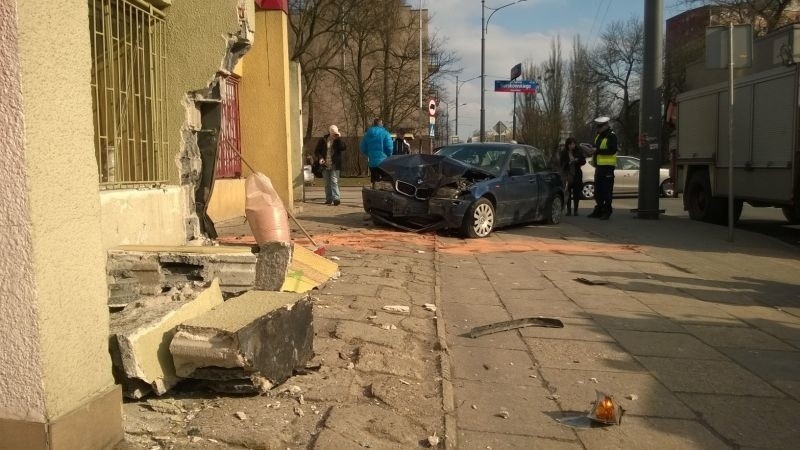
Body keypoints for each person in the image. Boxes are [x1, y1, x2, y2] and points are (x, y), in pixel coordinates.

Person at [588, 116, 618, 220]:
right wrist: (590, 149)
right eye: (597, 127)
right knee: (598, 191)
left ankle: (607, 211)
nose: (598, 128)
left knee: (607, 191)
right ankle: (599, 210)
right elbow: (595, 148)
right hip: (599, 167)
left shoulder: (611, 136)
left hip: (608, 168)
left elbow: (612, 150)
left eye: (600, 126)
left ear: (606, 126)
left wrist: (597, 151)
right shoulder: (598, 136)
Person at [314, 124, 346, 205]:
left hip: (334, 164)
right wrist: (320, 158)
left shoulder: (338, 140)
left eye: (336, 133)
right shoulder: (323, 140)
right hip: (325, 165)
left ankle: (336, 199)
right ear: (330, 132)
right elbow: (317, 151)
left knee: (334, 181)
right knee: (327, 183)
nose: (334, 134)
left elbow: (343, 147)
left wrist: (338, 139)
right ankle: (329, 199)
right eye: (333, 133)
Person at [360, 118, 394, 188]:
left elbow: (362, 147)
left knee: (375, 181)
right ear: (380, 124)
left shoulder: (367, 135)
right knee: (387, 180)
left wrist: (370, 154)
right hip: (384, 162)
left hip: (372, 162)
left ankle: (375, 195)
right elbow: (389, 147)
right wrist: (389, 155)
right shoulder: (385, 133)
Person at [559, 137, 586, 216]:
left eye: (573, 144)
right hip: (567, 174)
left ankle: (576, 210)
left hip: (576, 174)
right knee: (568, 192)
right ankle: (568, 210)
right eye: (570, 144)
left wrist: (577, 160)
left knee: (576, 193)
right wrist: (568, 163)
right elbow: (561, 163)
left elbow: (583, 161)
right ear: (567, 145)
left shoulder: (578, 151)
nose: (572, 146)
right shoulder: (564, 152)